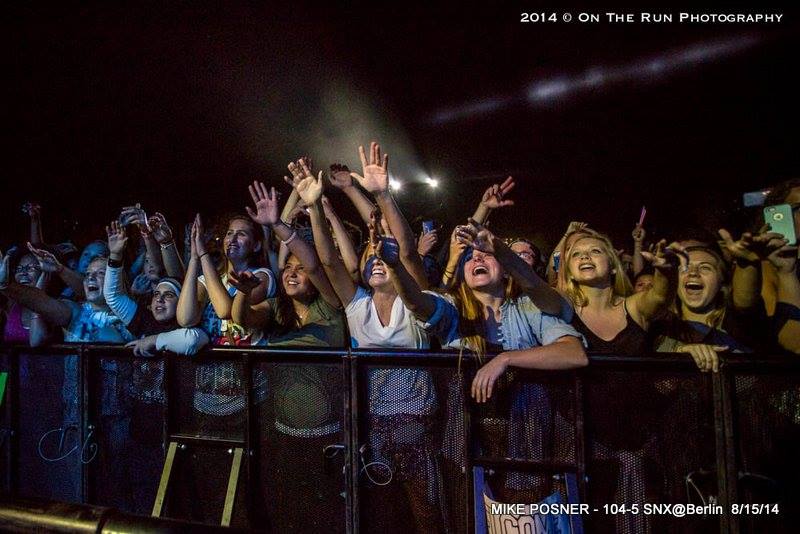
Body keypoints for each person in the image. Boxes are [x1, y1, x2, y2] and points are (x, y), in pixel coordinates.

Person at [300, 144, 445, 533]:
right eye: (371, 256)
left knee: (425, 509)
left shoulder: (416, 302)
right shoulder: (357, 306)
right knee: (378, 509)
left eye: (383, 255)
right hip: (372, 424)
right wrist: (315, 209)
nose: (377, 258)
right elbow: (329, 262)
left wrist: (378, 195)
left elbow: (410, 254)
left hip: (417, 426)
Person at [230, 180, 346, 532]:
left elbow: (314, 263)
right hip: (284, 432)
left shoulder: (331, 305)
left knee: (325, 516)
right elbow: (243, 319)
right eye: (288, 268)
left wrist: (278, 225)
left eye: (299, 268)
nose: (292, 272)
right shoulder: (278, 309)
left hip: (328, 435)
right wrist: (244, 295)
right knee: (289, 511)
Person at [103, 220, 209, 514]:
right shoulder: (143, 320)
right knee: (142, 503)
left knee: (179, 506)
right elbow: (112, 296)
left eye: (168, 295)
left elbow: (191, 340)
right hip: (142, 432)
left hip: (179, 434)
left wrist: (154, 340)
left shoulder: (186, 324)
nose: (159, 300)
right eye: (156, 296)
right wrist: (115, 257)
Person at [0, 249, 51, 345]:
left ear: (45, 272)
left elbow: (36, 341)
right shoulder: (11, 304)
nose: (23, 273)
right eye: (19, 269)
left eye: (30, 268)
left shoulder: (56, 307)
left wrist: (38, 294)